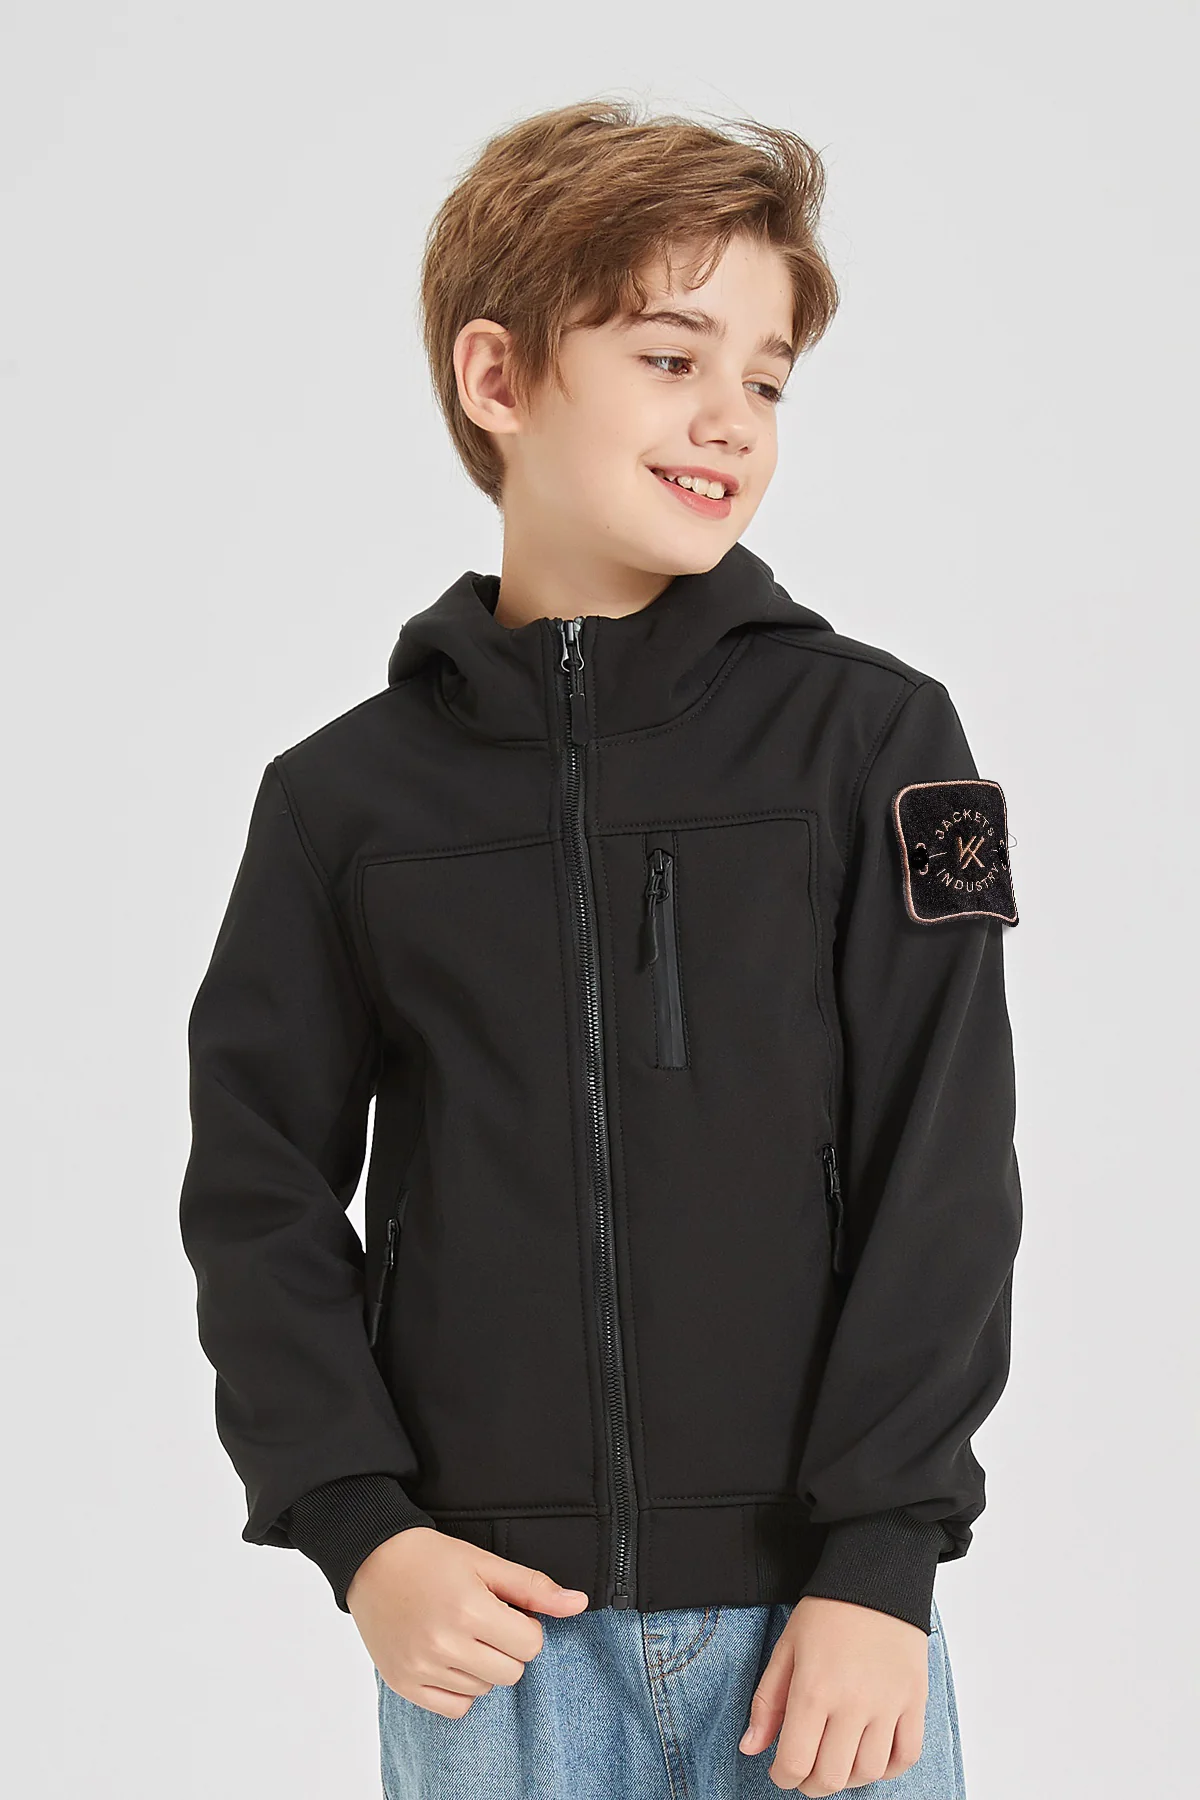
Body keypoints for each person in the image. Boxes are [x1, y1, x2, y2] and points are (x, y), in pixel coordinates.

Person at [179, 97, 1022, 1798]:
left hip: (821, 1637)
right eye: (670, 357)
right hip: (493, 1642)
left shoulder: (880, 744)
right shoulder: (339, 804)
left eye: (766, 380)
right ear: (499, 378)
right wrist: (361, 1532)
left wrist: (882, 1560)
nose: (730, 420)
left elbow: (946, 1159)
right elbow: (257, 1191)